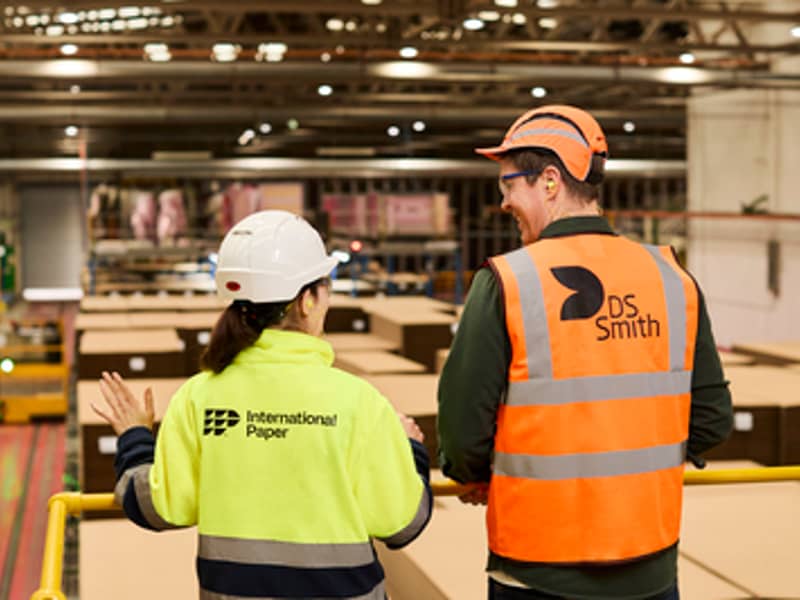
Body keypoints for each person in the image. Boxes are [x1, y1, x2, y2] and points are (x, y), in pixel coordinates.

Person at [437, 105, 733, 600]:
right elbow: (711, 421)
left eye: (508, 186)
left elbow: (465, 431)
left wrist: (472, 475)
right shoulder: (671, 280)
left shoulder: (508, 281)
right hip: (651, 568)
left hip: (537, 570)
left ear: (549, 180)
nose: (505, 202)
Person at [93, 210, 432, 600]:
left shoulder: (199, 397)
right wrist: (411, 450)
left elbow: (157, 507)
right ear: (307, 301)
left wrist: (136, 436)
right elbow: (403, 523)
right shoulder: (359, 403)